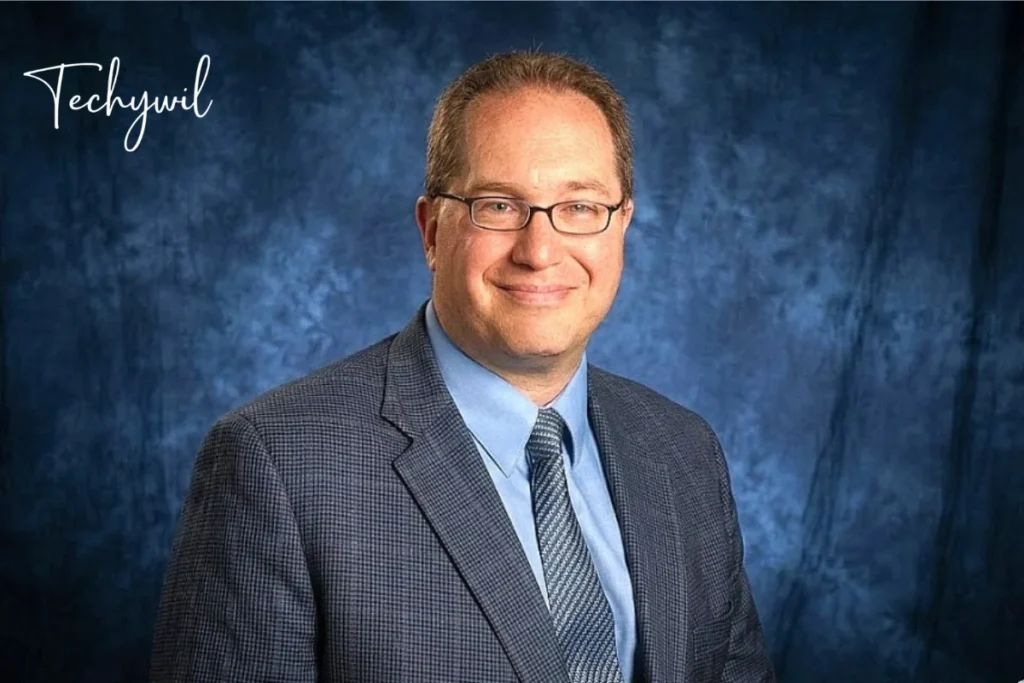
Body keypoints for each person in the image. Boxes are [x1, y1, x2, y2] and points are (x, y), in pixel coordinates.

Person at [149, 49, 776, 683]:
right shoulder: (277, 464)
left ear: (621, 227)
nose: (539, 250)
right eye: (499, 205)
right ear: (431, 231)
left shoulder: (683, 452)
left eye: (580, 207)